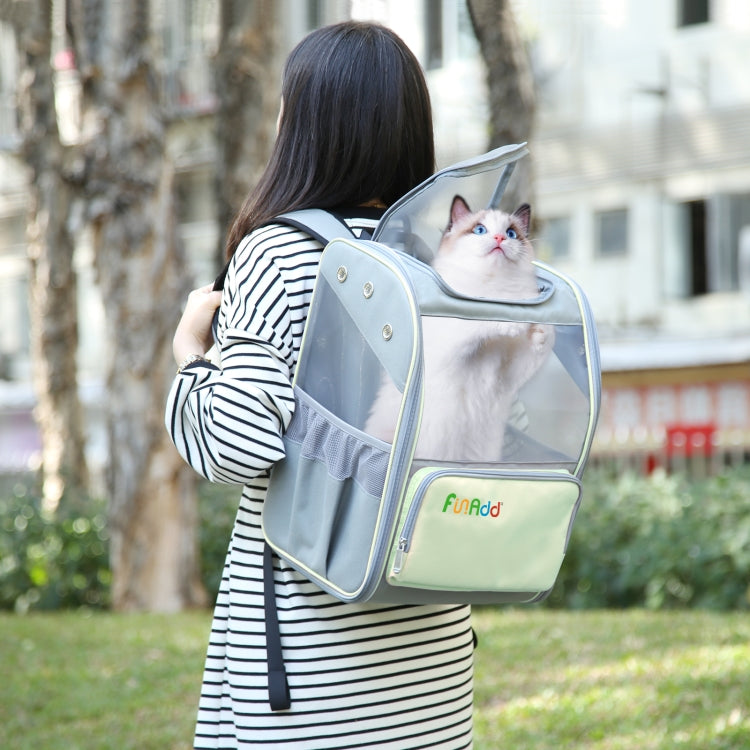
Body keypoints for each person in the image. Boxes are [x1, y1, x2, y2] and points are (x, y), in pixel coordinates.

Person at [166, 21, 474, 749]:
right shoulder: (435, 264)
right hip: (433, 658)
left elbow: (235, 447)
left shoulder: (278, 253)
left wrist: (188, 354)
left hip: (313, 668)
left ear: (304, 128)